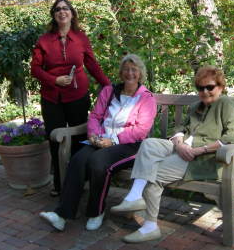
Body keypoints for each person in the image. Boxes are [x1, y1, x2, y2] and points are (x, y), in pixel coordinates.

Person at [110, 66, 234, 243]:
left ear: (220, 87)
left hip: (206, 159)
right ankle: (134, 197)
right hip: (182, 150)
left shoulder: (225, 103)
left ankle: (150, 227)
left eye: (209, 87)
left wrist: (200, 150)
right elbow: (180, 128)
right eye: (200, 88)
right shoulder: (196, 106)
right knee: (148, 144)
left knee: (152, 174)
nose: (204, 91)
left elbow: (233, 136)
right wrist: (179, 143)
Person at [39, 54, 157, 232]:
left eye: (134, 69)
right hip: (102, 140)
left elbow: (141, 130)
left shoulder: (146, 98)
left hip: (129, 145)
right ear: (121, 72)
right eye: (126, 69)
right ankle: (61, 215)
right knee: (78, 159)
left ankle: (96, 212)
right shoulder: (109, 91)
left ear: (140, 73)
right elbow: (95, 116)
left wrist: (114, 140)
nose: (129, 73)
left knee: (98, 162)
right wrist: (94, 135)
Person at [31, 0, 110, 197]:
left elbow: (92, 64)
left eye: (65, 8)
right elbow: (35, 69)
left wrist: (109, 86)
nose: (61, 12)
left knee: (80, 139)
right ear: (54, 15)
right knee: (55, 140)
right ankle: (59, 184)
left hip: (77, 96)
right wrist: (54, 79)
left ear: (72, 13)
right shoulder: (44, 40)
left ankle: (79, 180)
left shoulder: (81, 38)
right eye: (57, 9)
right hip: (52, 97)